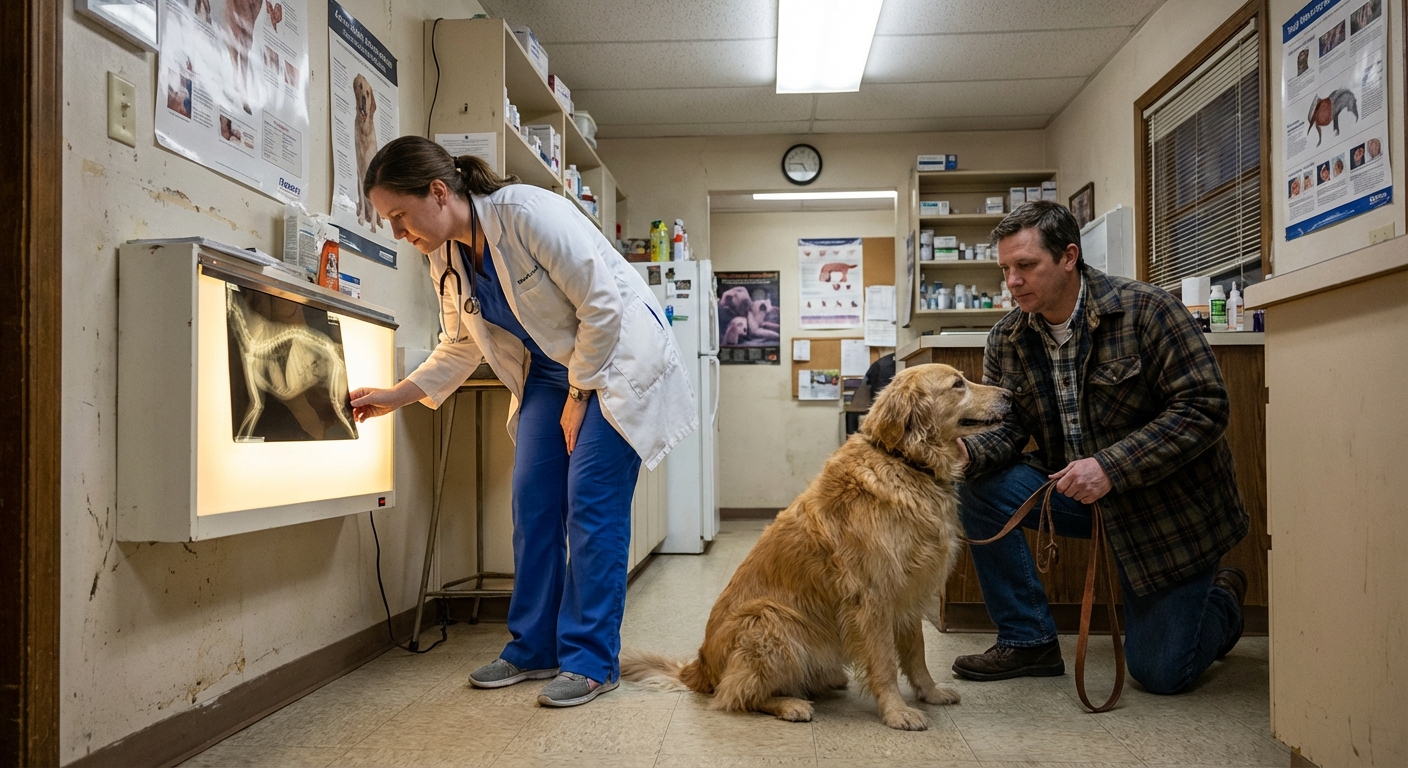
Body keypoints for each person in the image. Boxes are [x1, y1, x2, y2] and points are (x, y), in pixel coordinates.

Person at [350, 136, 697, 708]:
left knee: (590, 500)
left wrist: (580, 391)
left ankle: (591, 660)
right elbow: (460, 343)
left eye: (399, 216)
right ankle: (534, 647)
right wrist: (399, 394)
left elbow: (603, 305)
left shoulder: (528, 213)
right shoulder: (447, 254)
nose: (397, 232)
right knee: (533, 500)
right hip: (548, 374)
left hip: (611, 361)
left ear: (438, 193)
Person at [952, 200, 1250, 695]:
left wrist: (1110, 466)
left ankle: (1221, 600)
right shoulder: (1007, 338)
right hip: (1076, 494)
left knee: (1160, 673)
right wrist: (968, 454)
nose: (1013, 281)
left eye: (1026, 265)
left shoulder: (1147, 310)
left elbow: (1205, 406)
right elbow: (1010, 428)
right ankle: (1028, 640)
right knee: (976, 483)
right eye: (1005, 268)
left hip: (1166, 510)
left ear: (1069, 256)